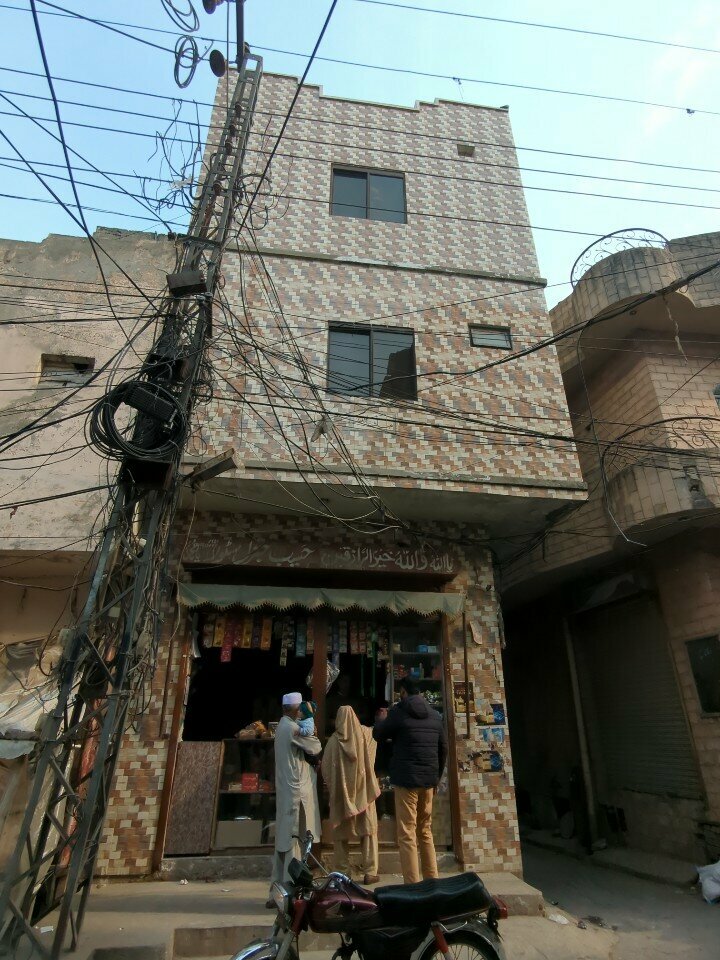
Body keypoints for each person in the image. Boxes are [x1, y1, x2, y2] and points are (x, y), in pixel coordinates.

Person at [373, 677, 447, 885]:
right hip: (428, 781)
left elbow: (378, 735)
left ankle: (413, 885)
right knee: (425, 830)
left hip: (407, 781)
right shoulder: (434, 715)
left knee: (407, 833)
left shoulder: (399, 712)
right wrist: (435, 778)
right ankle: (432, 881)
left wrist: (381, 718)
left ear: (403, 692)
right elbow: (443, 749)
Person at [269, 691, 322, 903]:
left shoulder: (283, 726)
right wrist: (310, 727)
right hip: (293, 792)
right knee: (291, 843)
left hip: (286, 791)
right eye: (300, 708)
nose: (301, 712)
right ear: (293, 709)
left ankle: (276, 892)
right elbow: (315, 746)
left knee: (283, 843)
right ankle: (288, 896)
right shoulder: (291, 728)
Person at [321, 705, 380, 884]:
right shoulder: (366, 735)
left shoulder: (332, 742)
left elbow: (325, 769)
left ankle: (342, 871)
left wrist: (335, 789)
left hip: (342, 796)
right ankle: (370, 871)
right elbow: (376, 742)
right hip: (364, 793)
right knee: (368, 833)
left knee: (340, 837)